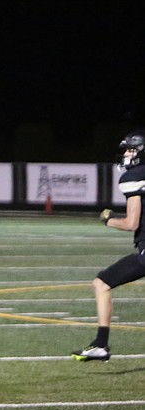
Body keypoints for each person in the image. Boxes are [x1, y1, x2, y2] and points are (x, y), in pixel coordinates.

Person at [72, 128, 145, 361]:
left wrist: (108, 220)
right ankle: (100, 344)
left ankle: (101, 345)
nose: (127, 155)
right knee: (102, 282)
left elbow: (132, 223)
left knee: (101, 283)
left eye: (131, 150)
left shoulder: (134, 177)